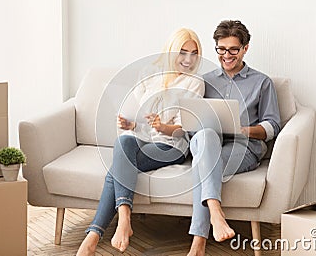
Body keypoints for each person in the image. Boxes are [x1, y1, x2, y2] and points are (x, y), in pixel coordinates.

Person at [76, 28, 204, 256]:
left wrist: (163, 126)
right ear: (171, 51)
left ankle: (94, 237)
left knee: (115, 170)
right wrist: (133, 125)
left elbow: (185, 128)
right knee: (124, 142)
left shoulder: (194, 82)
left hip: (172, 146)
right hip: (145, 139)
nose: (188, 59)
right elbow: (147, 120)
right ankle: (124, 218)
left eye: (194, 54)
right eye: (183, 52)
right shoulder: (151, 76)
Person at [187, 20, 281, 256]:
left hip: (244, 147)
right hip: (208, 143)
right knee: (206, 136)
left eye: (233, 50)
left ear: (245, 48)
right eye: (221, 49)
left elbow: (272, 126)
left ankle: (198, 244)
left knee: (203, 163)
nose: (226, 55)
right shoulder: (204, 81)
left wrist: (245, 130)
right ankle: (216, 214)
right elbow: (191, 120)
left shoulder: (261, 82)